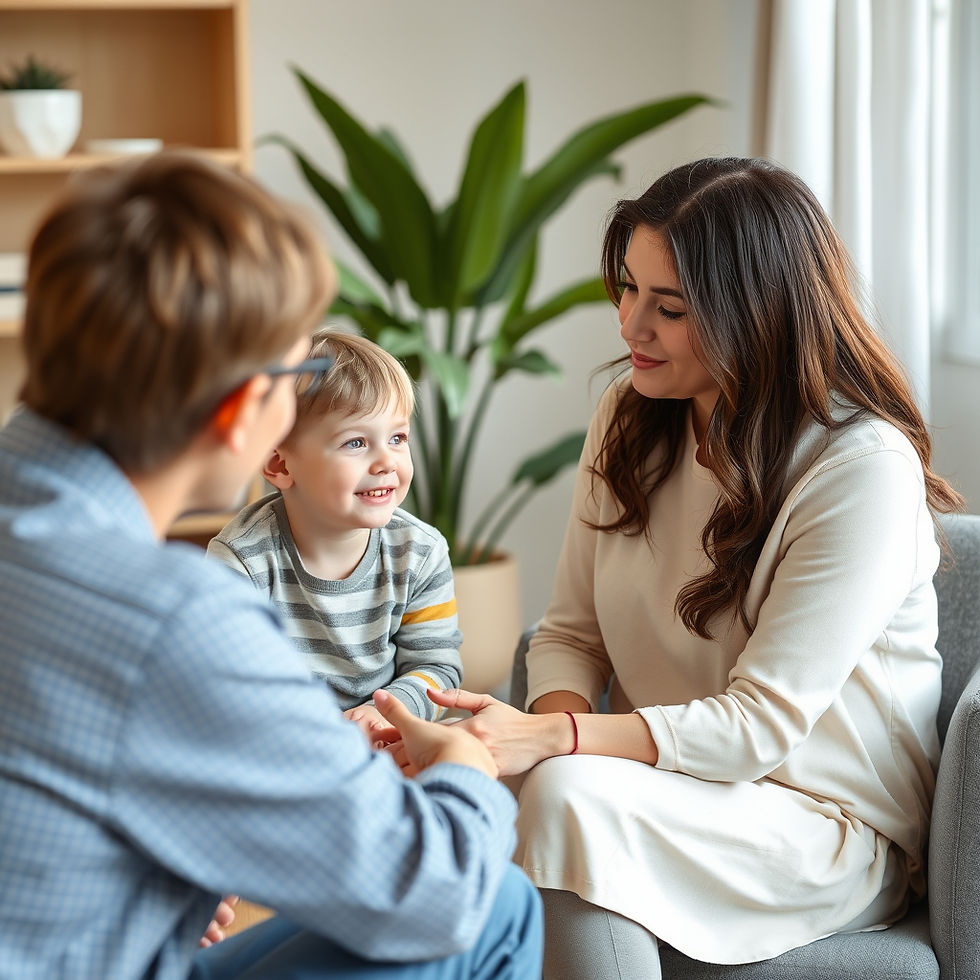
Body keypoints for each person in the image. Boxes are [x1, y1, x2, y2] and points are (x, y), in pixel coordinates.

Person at [415, 156, 963, 979]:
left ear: (758, 316)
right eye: (628, 288)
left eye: (668, 308)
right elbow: (568, 633)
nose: (631, 326)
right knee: (471, 783)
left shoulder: (859, 468)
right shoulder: (631, 418)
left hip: (822, 827)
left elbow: (758, 727)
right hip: (656, 785)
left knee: (558, 797)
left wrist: (550, 743)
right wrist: (542, 741)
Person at [0, 150, 542, 980]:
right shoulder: (173, 615)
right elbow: (437, 893)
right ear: (243, 415)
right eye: (295, 375)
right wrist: (467, 768)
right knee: (493, 905)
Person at [208, 330, 461, 739]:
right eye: (356, 442)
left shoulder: (421, 552)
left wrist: (388, 715)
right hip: (283, 745)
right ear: (280, 465)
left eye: (397, 438)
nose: (387, 461)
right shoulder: (242, 561)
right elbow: (228, 687)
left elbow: (437, 669)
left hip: (385, 740)